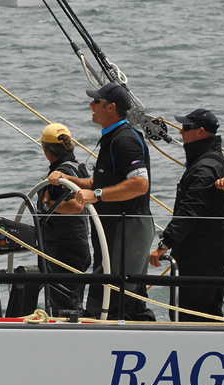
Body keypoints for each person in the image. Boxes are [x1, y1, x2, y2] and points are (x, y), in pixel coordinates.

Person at [48, 82, 155, 321]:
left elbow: (140, 184)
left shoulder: (124, 140)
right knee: (117, 294)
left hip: (128, 228)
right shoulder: (113, 138)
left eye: (96, 102)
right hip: (114, 228)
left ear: (111, 107)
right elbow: (105, 180)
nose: (91, 105)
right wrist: (69, 178)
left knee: (114, 296)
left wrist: (96, 195)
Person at [151, 109, 224, 322]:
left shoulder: (204, 168)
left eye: (186, 128)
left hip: (199, 257)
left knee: (188, 315)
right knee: (210, 314)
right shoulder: (216, 161)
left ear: (200, 132)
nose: (181, 132)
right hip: (216, 255)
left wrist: (164, 244)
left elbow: (190, 211)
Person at [37, 123, 91, 317]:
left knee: (64, 307)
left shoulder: (62, 174)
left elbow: (76, 206)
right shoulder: (78, 169)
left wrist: (46, 205)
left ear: (46, 149)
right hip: (76, 244)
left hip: (64, 248)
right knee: (70, 302)